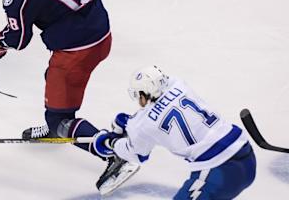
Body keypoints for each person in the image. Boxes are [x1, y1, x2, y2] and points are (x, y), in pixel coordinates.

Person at [0, 0, 136, 195]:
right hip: (101, 30)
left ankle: (114, 153)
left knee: (58, 119)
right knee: (52, 78)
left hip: (76, 52)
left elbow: (18, 39)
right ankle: (62, 125)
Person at [93, 66, 257, 198]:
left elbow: (137, 154)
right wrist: (129, 123)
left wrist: (110, 142)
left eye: (138, 95)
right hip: (245, 153)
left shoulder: (142, 124)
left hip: (218, 170)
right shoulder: (179, 84)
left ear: (143, 94)